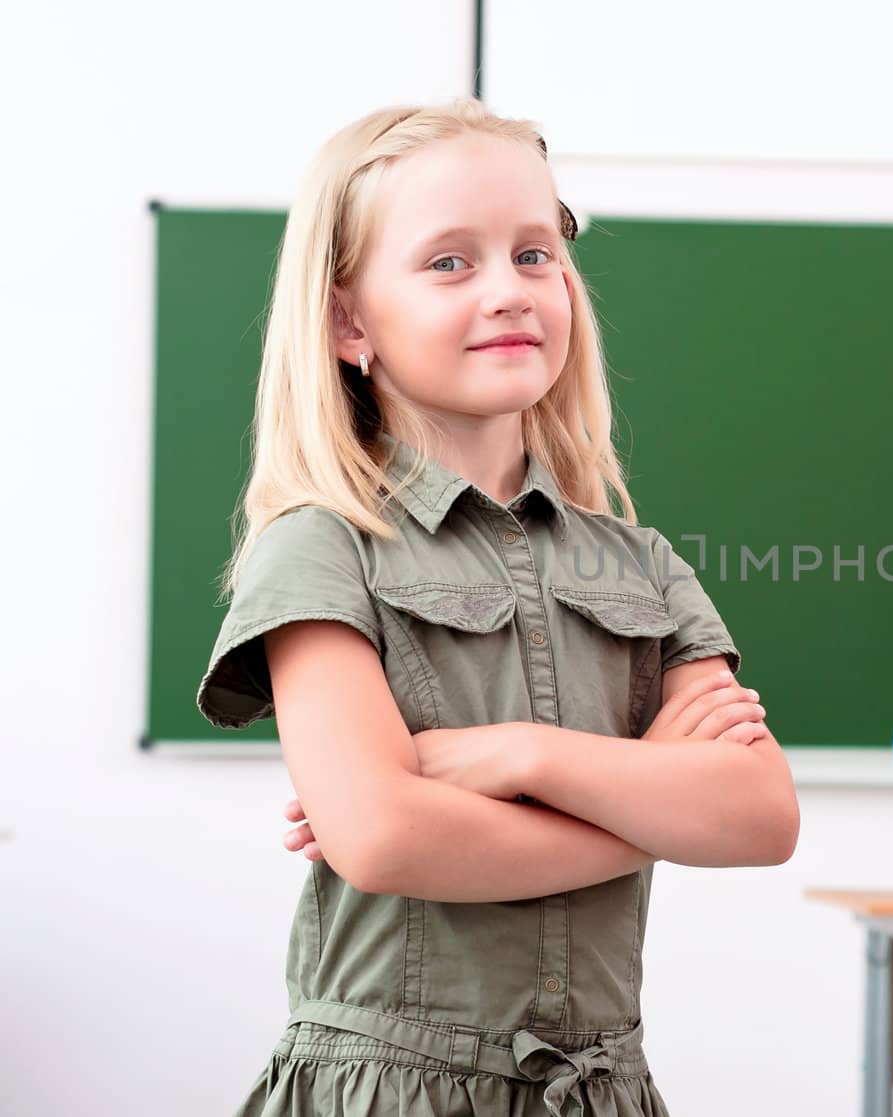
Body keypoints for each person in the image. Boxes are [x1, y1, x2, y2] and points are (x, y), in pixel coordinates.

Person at [196, 100, 800, 1116]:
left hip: (602, 1090)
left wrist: (523, 757)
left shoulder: (642, 565)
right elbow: (386, 836)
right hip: (390, 1091)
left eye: (534, 253)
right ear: (349, 322)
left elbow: (758, 814)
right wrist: (650, 798)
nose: (509, 291)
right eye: (448, 262)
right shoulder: (321, 545)